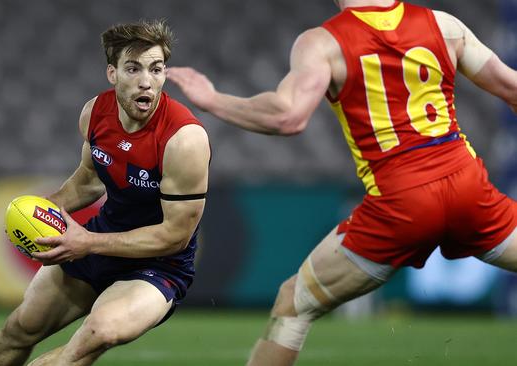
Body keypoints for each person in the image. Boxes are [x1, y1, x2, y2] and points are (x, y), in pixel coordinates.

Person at [167, 1, 517, 365]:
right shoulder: (444, 26)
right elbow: (512, 87)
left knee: (293, 305)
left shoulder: (323, 43)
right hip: (468, 188)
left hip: (401, 202)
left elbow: (288, 116)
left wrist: (214, 101)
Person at [0, 19, 210, 366]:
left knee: (96, 334)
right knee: (21, 327)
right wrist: (37, 211)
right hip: (98, 242)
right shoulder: (95, 112)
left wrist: (87, 243)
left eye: (156, 69)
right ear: (112, 74)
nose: (146, 81)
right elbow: (89, 180)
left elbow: (175, 236)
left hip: (158, 266)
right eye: (133, 68)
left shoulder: (184, 140)